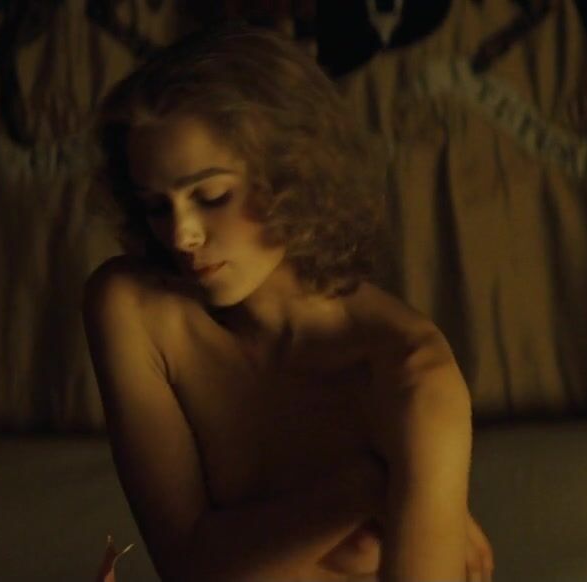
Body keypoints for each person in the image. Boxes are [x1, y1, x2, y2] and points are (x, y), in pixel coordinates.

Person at [82, 24, 495, 582]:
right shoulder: (133, 309)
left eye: (212, 196)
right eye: (157, 206)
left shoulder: (410, 375)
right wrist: (365, 486)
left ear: (293, 175)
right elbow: (187, 567)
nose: (182, 235)